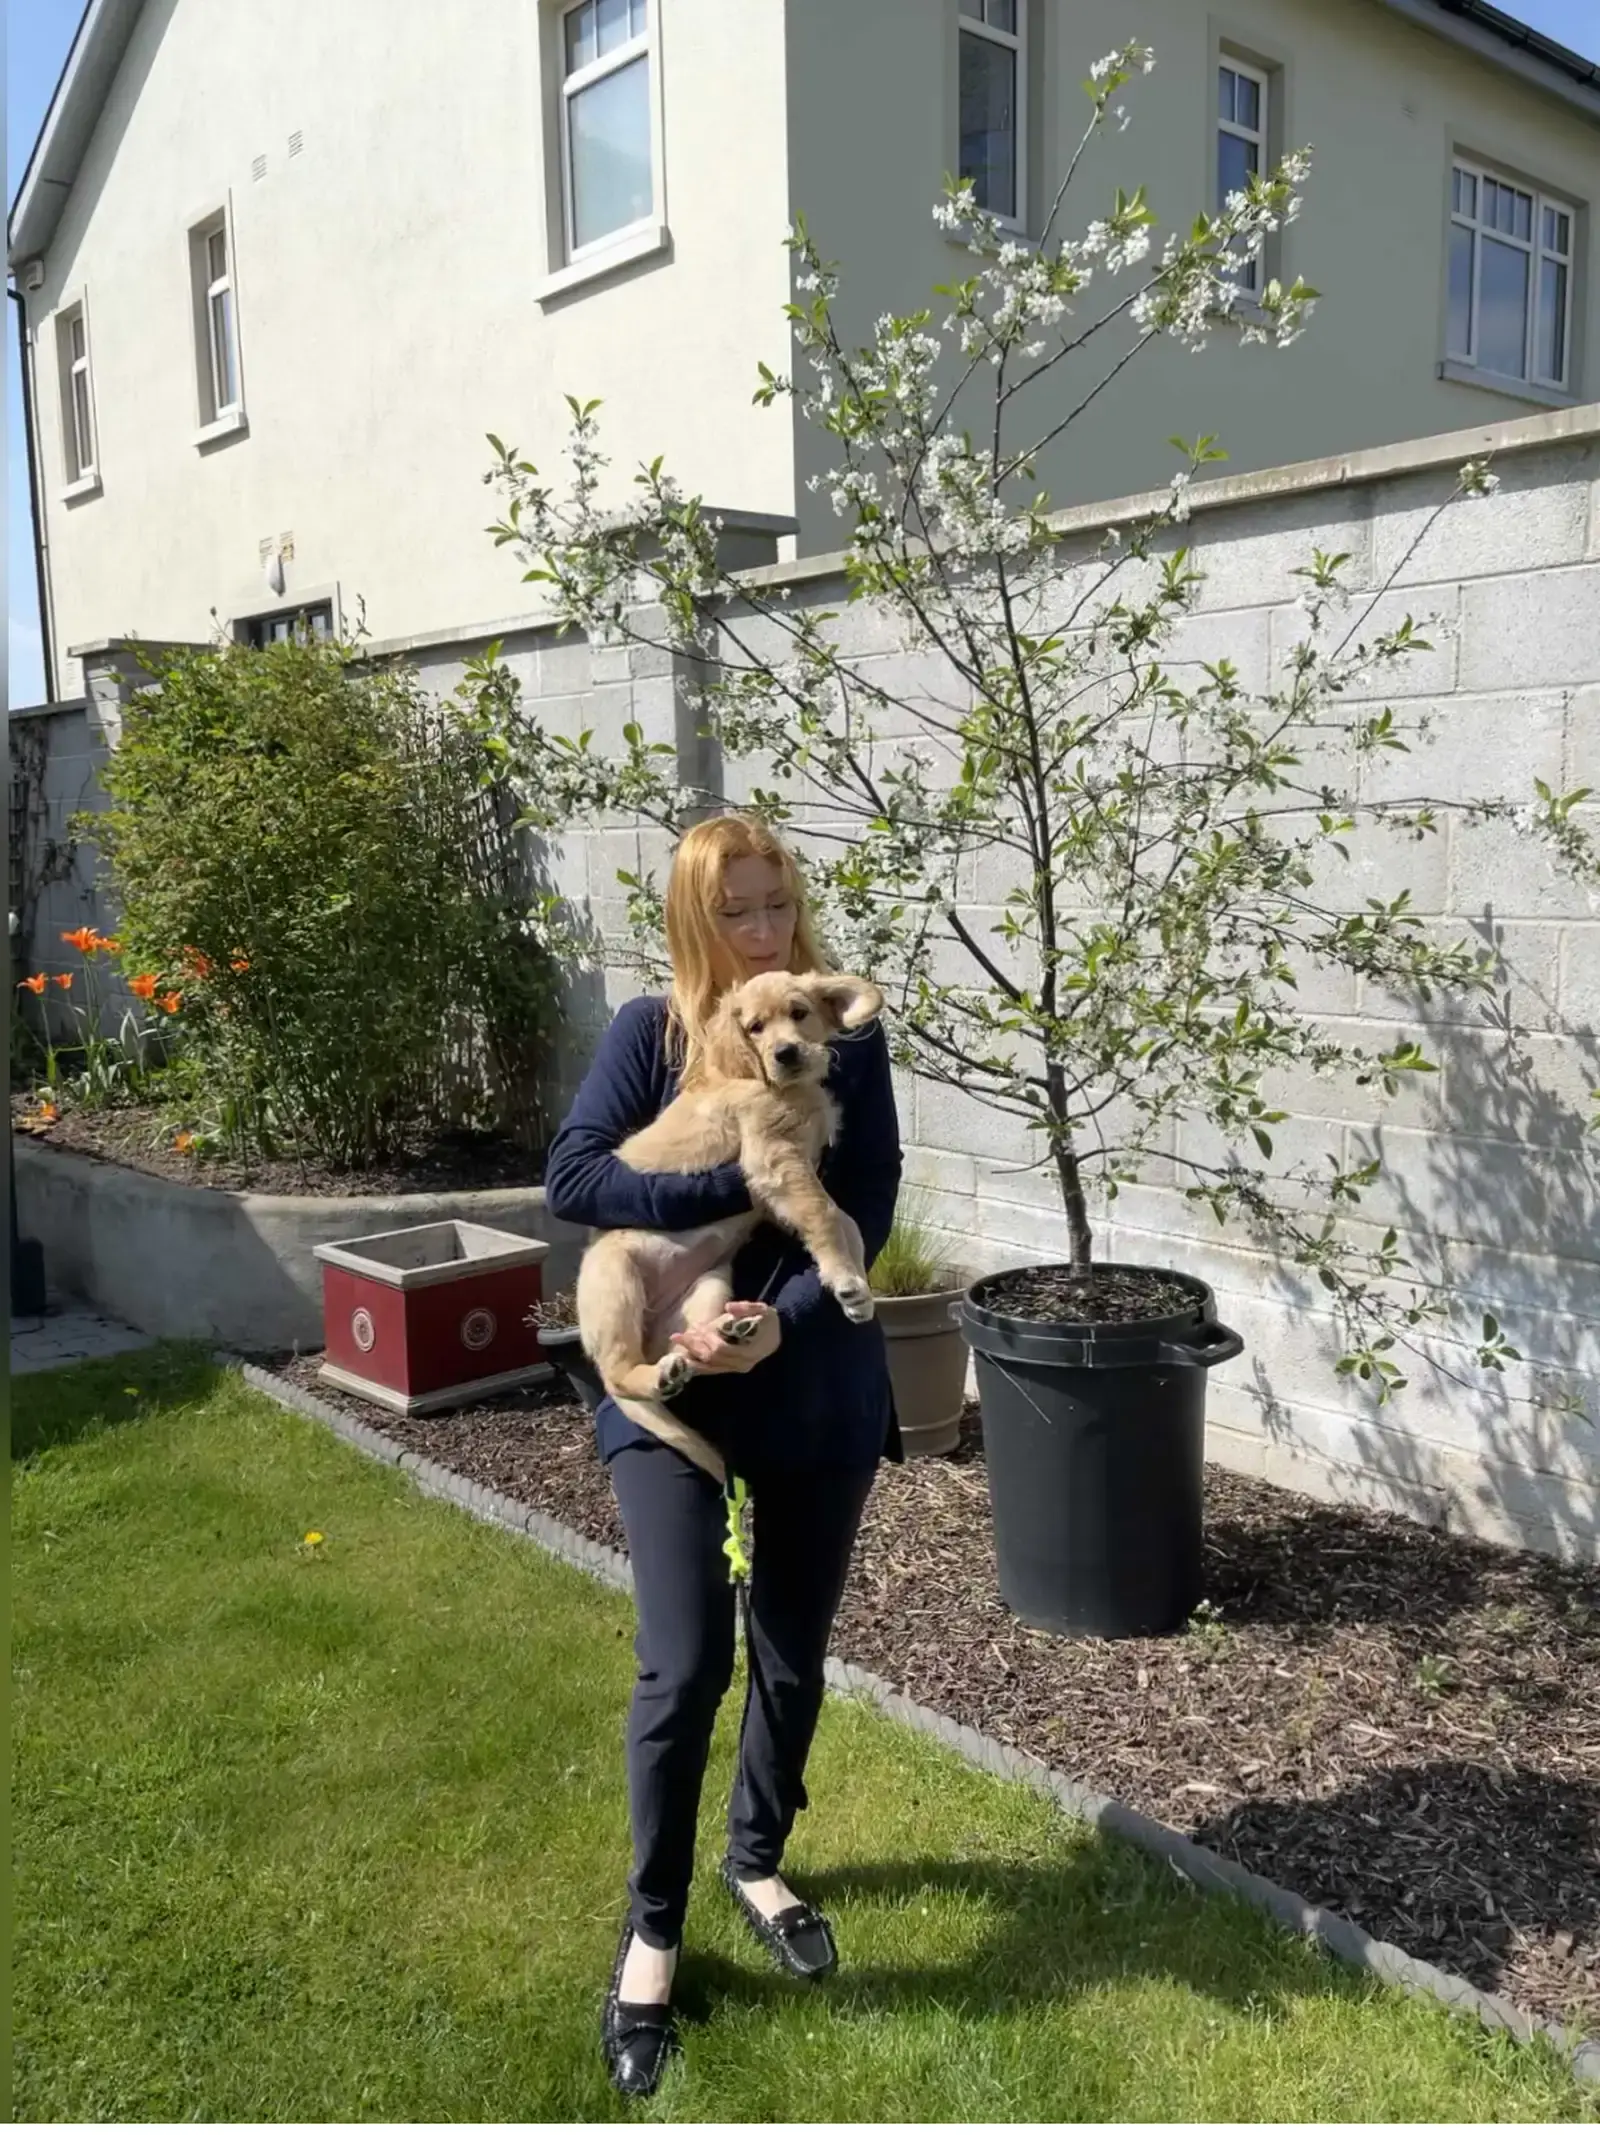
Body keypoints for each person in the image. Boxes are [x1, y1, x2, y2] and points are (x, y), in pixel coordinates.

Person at [543, 812, 902, 2097]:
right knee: (686, 1657)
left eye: (775, 899)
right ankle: (652, 1927)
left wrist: (775, 1326)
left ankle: (756, 1857)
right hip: (671, 1380)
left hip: (804, 1383)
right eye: (735, 908)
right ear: (698, 919)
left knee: (792, 1653)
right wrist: (722, 1208)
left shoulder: (839, 1034)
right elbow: (577, 1177)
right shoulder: (651, 1034)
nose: (762, 925)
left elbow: (867, 1207)